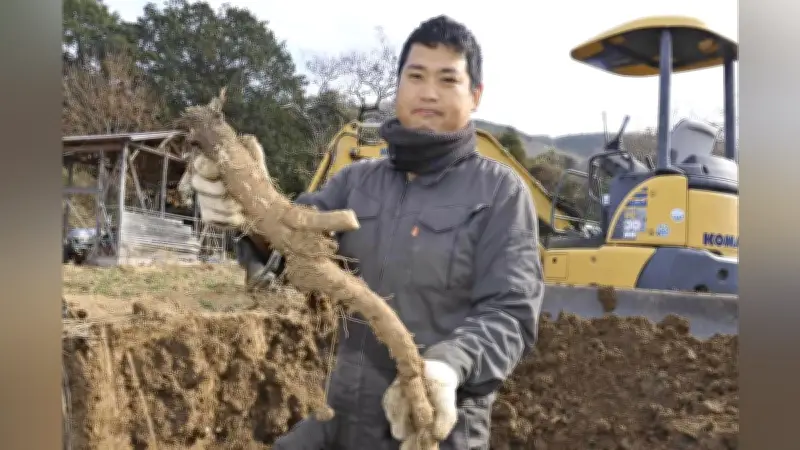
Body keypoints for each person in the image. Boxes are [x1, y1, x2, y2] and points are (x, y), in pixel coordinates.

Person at [186, 15, 544, 450]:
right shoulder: (354, 182)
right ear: (398, 87)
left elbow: (510, 314)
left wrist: (448, 367)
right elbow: (289, 247)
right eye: (416, 76)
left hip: (429, 427)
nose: (428, 92)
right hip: (336, 419)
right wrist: (246, 215)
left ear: (475, 96)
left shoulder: (500, 194)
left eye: (447, 79)